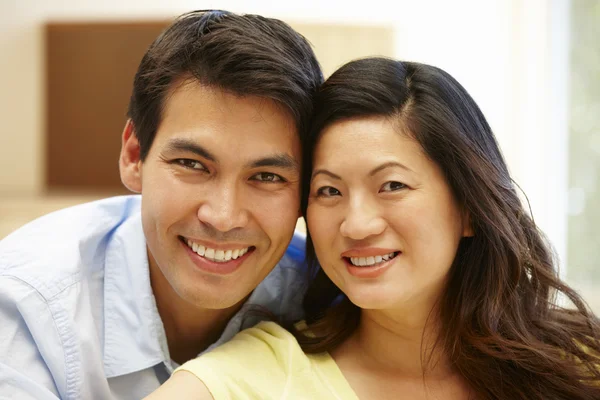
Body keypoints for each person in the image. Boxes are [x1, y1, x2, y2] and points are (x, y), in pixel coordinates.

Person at [147, 57, 600, 399]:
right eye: (328, 191)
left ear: (468, 208)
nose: (357, 224)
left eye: (392, 185)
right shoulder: (248, 381)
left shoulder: (577, 364)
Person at [0, 10, 322, 399]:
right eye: (191, 165)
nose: (223, 217)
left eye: (267, 177)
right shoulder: (27, 305)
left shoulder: (325, 296)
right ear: (134, 155)